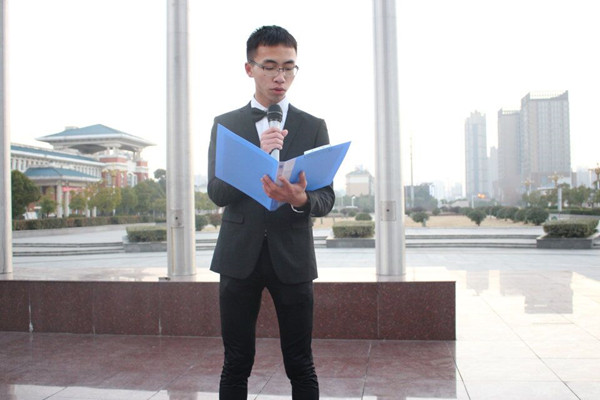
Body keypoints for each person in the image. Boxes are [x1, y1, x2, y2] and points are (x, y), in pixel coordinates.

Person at [207, 25, 334, 400]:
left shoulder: (313, 126)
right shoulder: (226, 125)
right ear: (250, 68)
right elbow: (217, 193)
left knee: (301, 362)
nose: (280, 76)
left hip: (292, 256)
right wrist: (257, 157)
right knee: (236, 362)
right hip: (238, 255)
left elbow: (326, 198)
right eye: (270, 66)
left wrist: (301, 198)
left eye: (289, 67)